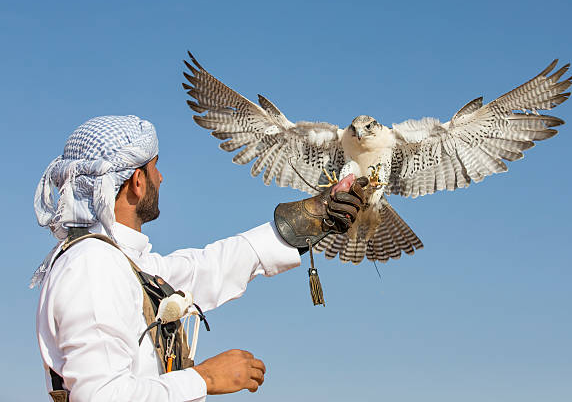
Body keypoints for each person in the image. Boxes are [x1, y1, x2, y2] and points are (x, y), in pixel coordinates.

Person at [32, 115, 366, 401]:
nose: (160, 178)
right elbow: (101, 397)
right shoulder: (91, 266)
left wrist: (317, 214)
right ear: (136, 182)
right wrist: (205, 378)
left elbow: (207, 268)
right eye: (154, 168)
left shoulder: (121, 262)